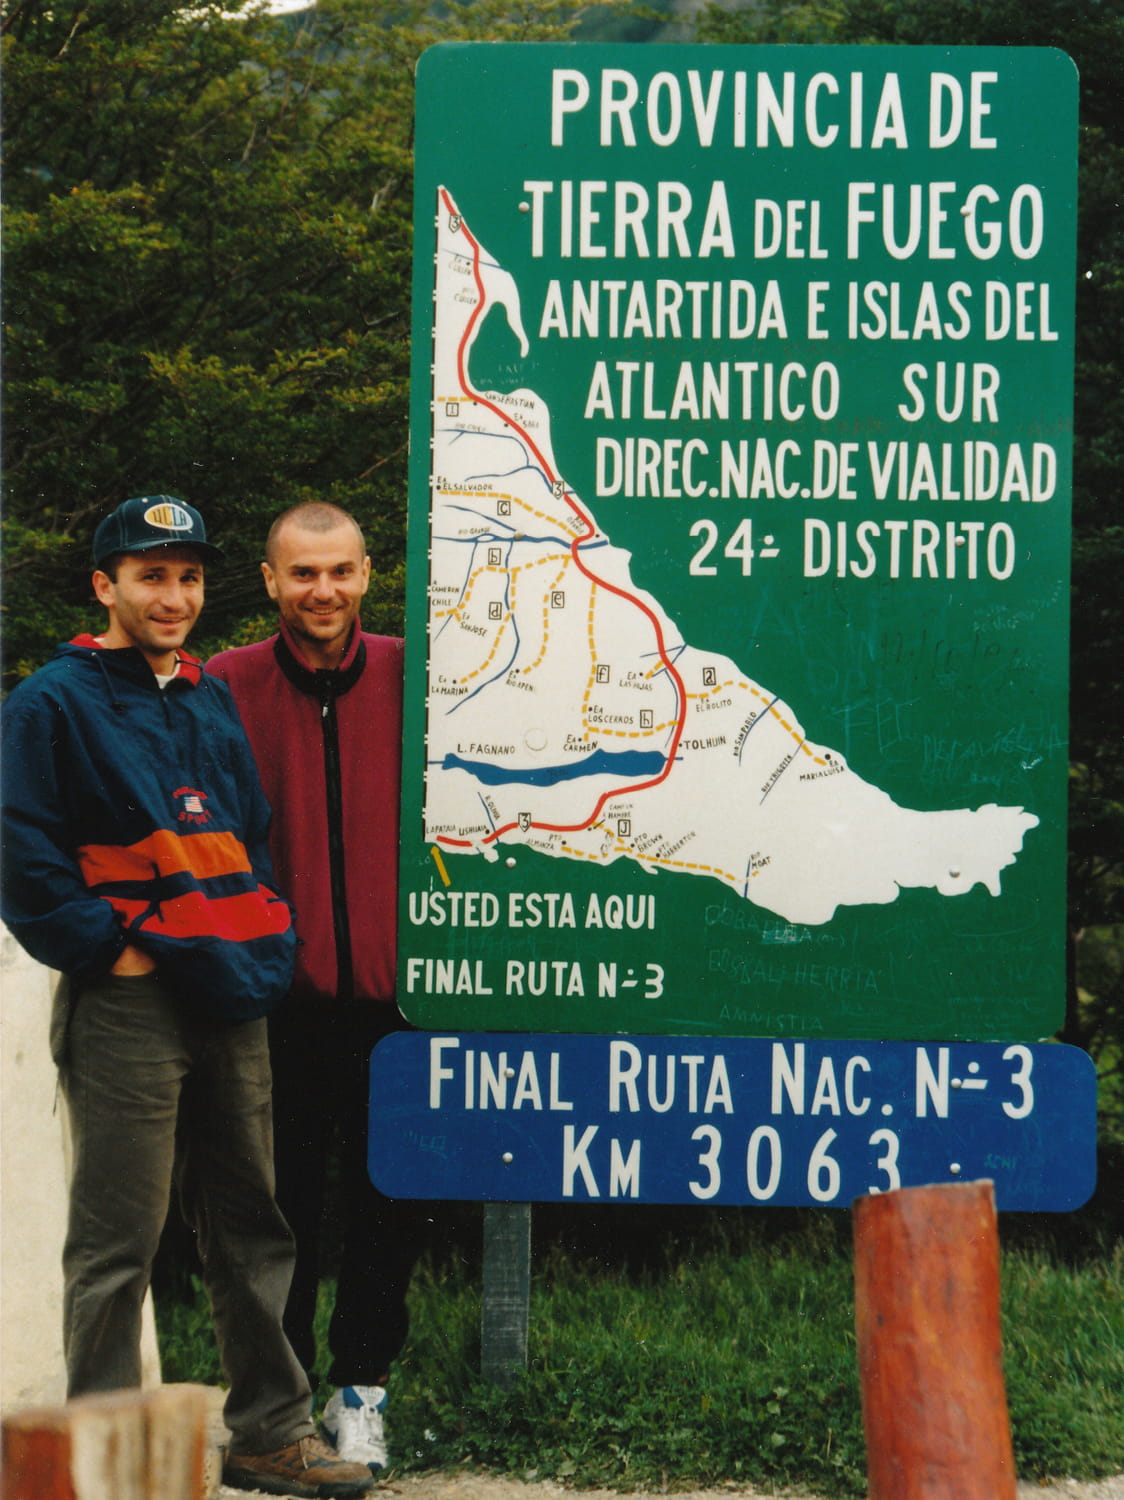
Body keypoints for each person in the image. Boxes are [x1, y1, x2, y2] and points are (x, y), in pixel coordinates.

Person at [0, 495, 374, 1500]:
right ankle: (103, 1457)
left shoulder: (205, 694)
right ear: (104, 586)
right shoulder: (51, 703)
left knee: (253, 1222)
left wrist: (263, 936)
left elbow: (246, 833)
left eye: (188, 577)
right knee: (117, 1242)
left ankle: (269, 1433)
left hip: (230, 992)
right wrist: (110, 951)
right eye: (150, 575)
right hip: (130, 1004)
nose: (172, 597)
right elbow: (27, 864)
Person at [208, 501, 422, 1474]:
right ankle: (278, 1413)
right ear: (269, 581)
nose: (321, 591)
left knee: (387, 1205)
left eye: (338, 571)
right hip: (274, 1003)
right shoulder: (227, 687)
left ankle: (361, 1395)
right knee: (277, 1211)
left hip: (395, 1003)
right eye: (302, 574)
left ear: (367, 573)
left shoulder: (417, 676)